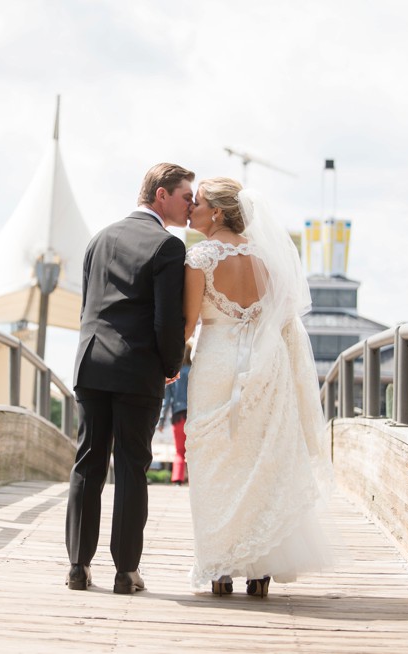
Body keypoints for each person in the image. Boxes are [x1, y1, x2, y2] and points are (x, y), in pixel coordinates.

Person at [182, 177, 333, 597]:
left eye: (198, 202)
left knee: (216, 462)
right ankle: (259, 569)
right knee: (261, 461)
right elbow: (284, 319)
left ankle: (219, 567)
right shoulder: (268, 258)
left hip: (217, 367)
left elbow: (188, 324)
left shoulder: (200, 257)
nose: (191, 208)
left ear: (216, 212)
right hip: (267, 366)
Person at [65, 162, 194, 594]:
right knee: (132, 467)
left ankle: (78, 567)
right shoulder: (167, 247)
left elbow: (89, 307)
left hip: (91, 363)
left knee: (88, 462)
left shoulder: (98, 238)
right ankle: (125, 571)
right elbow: (166, 322)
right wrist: (172, 363)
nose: (190, 204)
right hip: (137, 369)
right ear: (161, 194)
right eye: (185, 196)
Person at [157, 344, 192, 485]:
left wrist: (161, 421)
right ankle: (194, 481)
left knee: (179, 451)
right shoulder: (193, 371)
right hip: (193, 415)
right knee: (194, 450)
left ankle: (177, 480)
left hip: (177, 416)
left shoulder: (174, 374)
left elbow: (166, 400)